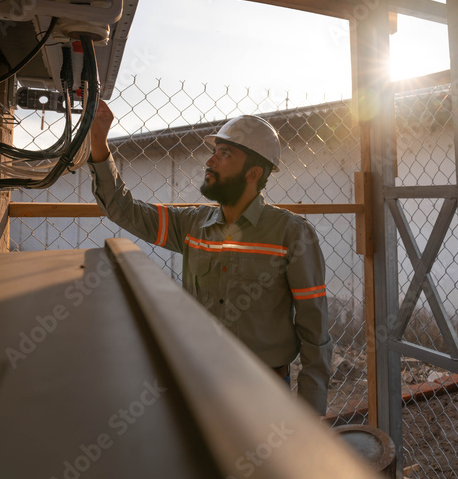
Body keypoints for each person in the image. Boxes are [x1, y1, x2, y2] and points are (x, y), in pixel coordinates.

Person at [87, 100, 332, 415]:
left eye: (224, 153)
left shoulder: (292, 233)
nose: (210, 161)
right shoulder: (192, 225)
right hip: (199, 383)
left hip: (263, 394)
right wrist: (98, 140)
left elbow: (315, 330)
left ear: (253, 173)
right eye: (215, 151)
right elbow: (121, 208)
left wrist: (312, 412)